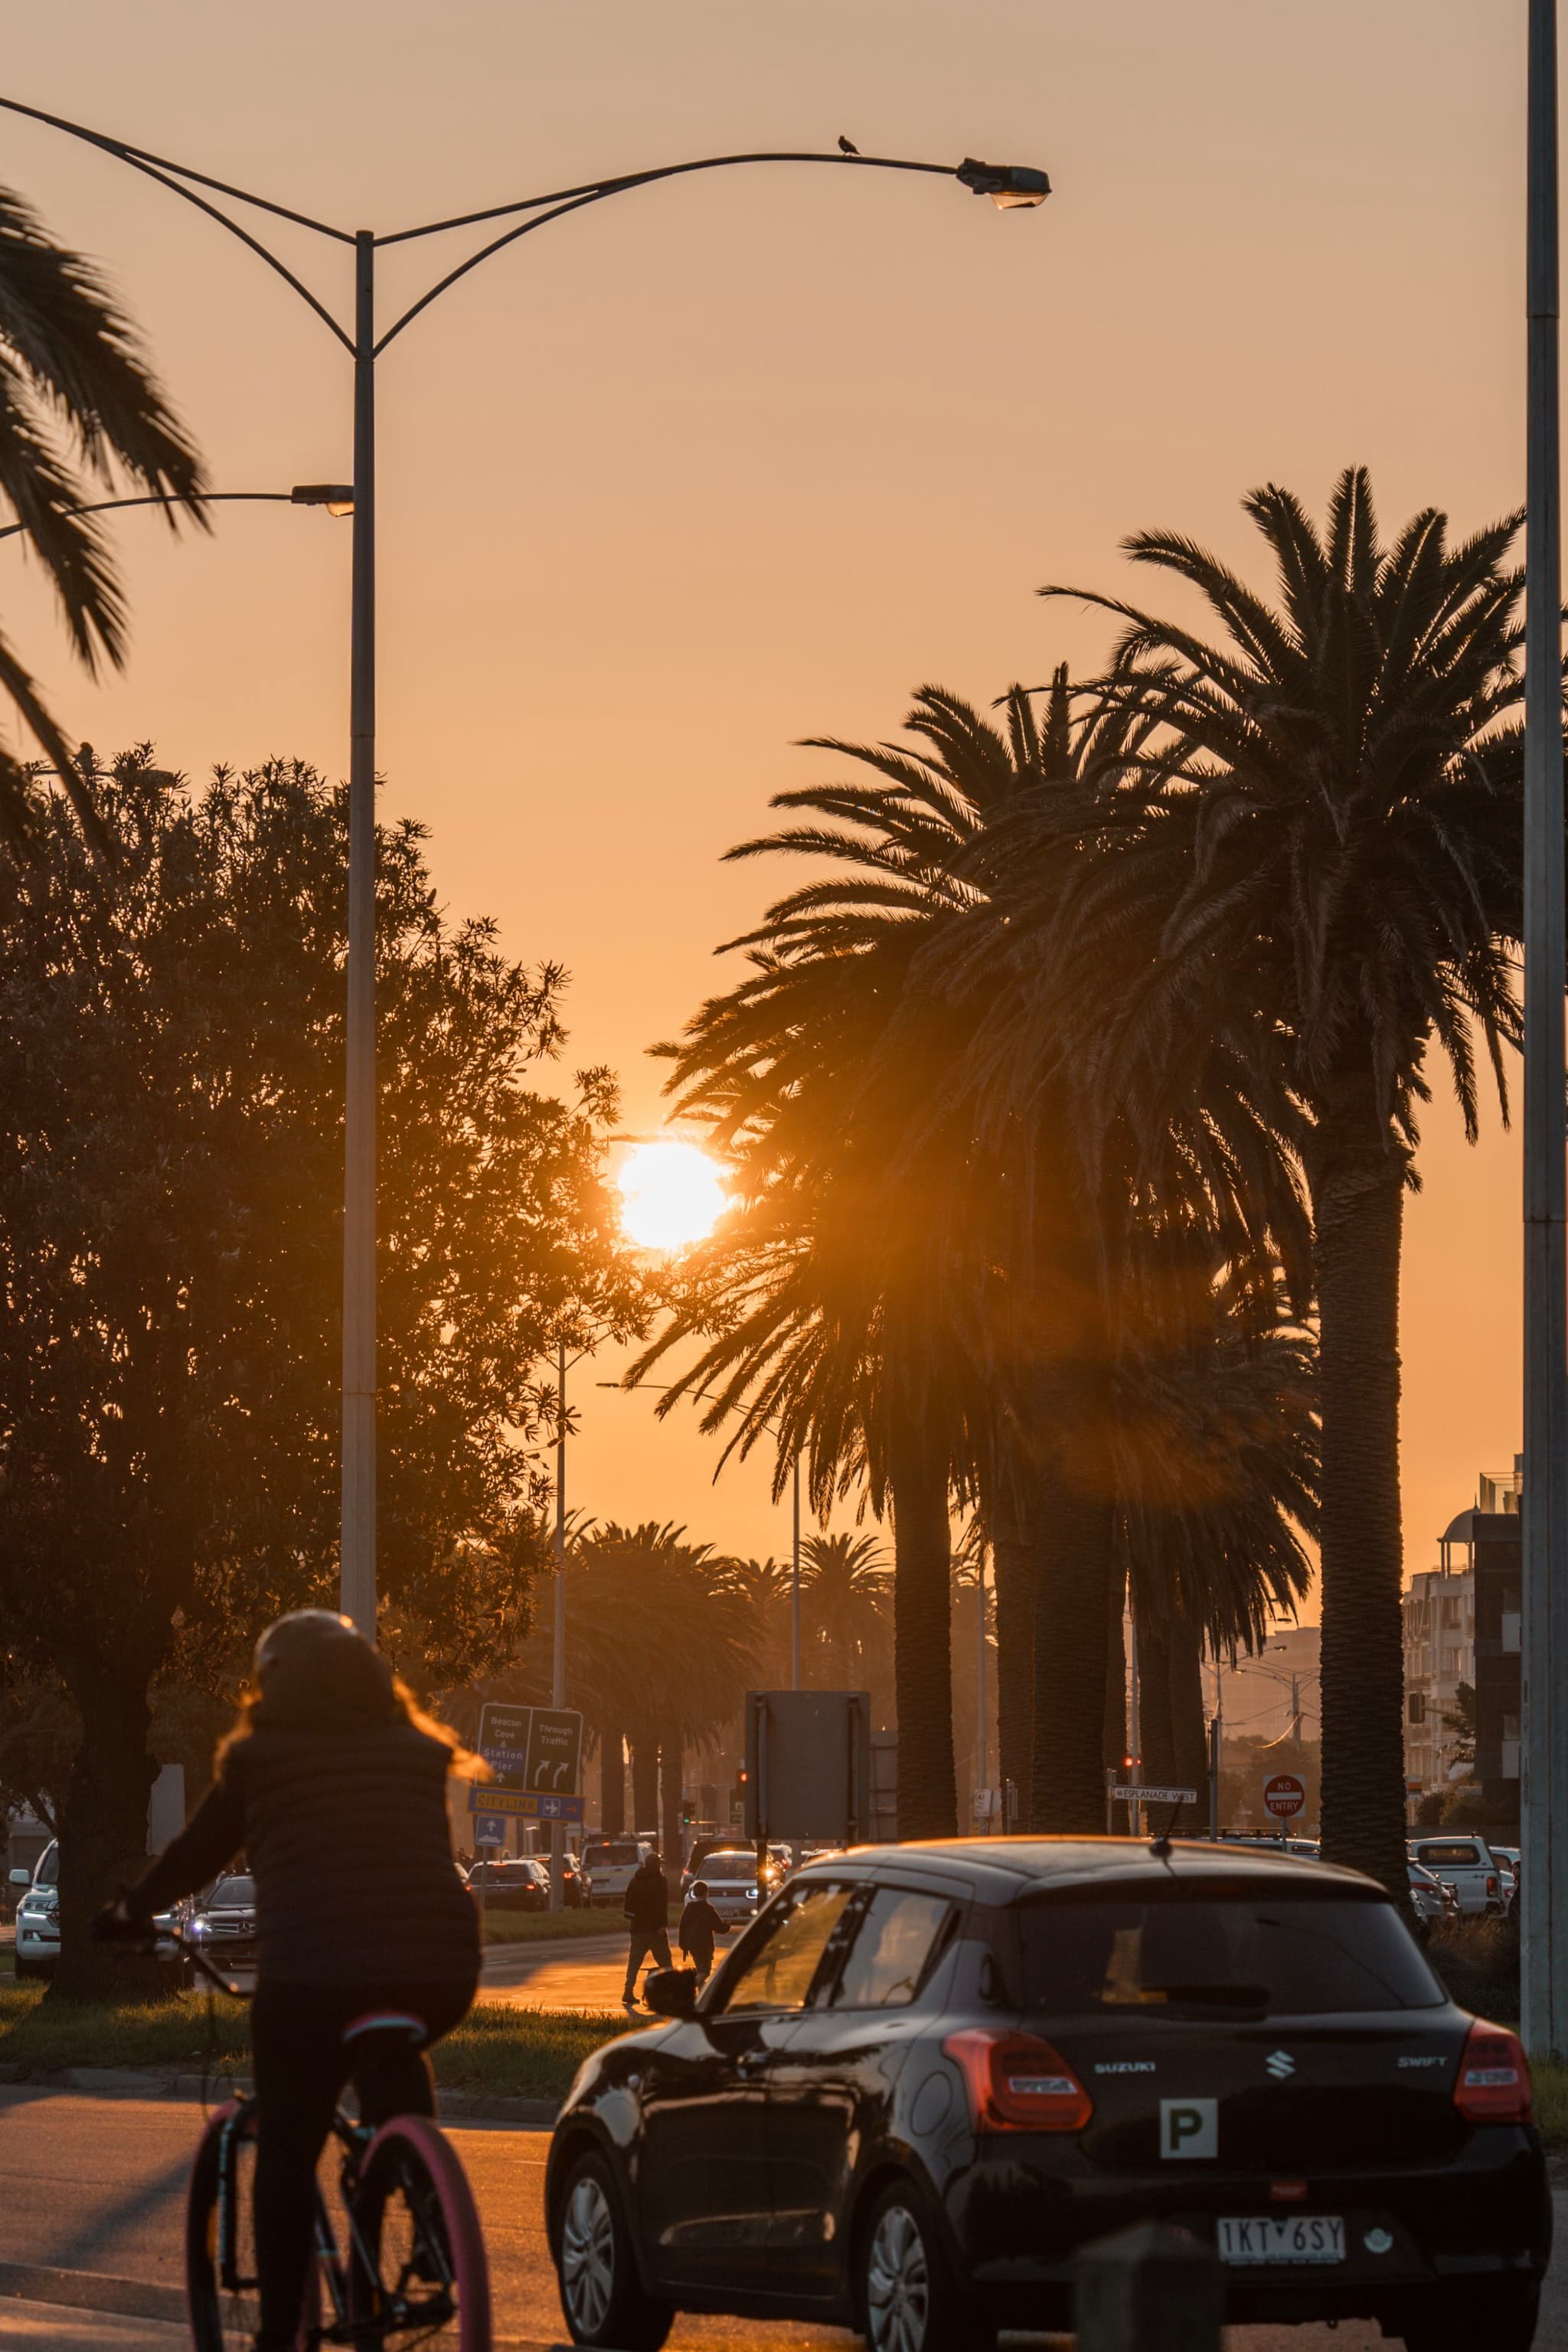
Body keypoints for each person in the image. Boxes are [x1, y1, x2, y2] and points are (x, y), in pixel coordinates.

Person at [96, 1610, 482, 2352]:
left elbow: (196, 1855)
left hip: (312, 1978)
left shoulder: (261, 1759)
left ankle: (278, 2336)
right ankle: (428, 2218)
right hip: (439, 1971)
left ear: (274, 1686)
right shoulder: (418, 1750)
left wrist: (129, 1912)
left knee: (286, 2148)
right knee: (395, 2045)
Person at [622, 1847, 671, 2007]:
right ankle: (672, 1993)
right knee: (665, 1962)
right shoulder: (660, 1881)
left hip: (637, 1929)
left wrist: (633, 1919)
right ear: (657, 1865)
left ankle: (628, 1991)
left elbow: (628, 1902)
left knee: (634, 1962)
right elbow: (662, 1906)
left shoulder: (635, 1880)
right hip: (655, 1929)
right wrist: (662, 1925)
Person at [677, 1879, 730, 1991]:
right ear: (706, 1893)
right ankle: (686, 1989)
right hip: (704, 1945)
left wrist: (683, 1944)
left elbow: (683, 1927)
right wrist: (727, 1926)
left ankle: (702, 1997)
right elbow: (719, 1927)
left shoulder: (689, 1908)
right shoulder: (708, 1909)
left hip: (692, 1944)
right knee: (705, 1972)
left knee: (700, 1970)